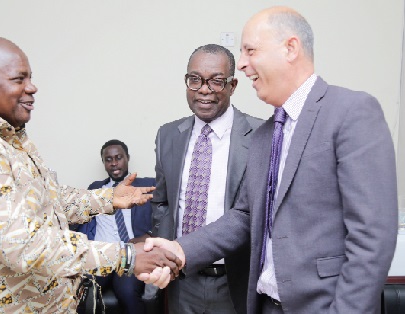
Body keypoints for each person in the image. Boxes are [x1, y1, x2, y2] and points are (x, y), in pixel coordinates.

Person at [141, 6, 398, 314]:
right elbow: (244, 217)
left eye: (250, 51)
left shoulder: (351, 112)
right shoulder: (265, 134)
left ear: (290, 48)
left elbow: (372, 237)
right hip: (263, 304)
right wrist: (181, 249)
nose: (244, 65)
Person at [0, 36, 180, 313]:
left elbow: (44, 199)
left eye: (30, 78)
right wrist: (126, 256)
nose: (32, 87)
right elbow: (23, 243)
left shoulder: (5, 137)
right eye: (18, 79)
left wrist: (107, 198)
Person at [151, 44, 262, 314]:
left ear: (233, 85)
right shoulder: (168, 135)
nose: (204, 89)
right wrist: (167, 256)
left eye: (216, 81)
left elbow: (256, 214)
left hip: (235, 280)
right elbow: (162, 202)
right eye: (195, 79)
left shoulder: (261, 135)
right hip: (182, 281)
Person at [77, 139, 155, 313]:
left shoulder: (146, 186)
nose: (114, 163)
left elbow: (167, 215)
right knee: (84, 292)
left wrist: (149, 234)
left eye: (118, 157)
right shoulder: (96, 189)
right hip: (99, 254)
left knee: (127, 293)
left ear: (127, 158)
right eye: (108, 159)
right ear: (104, 163)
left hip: (128, 254)